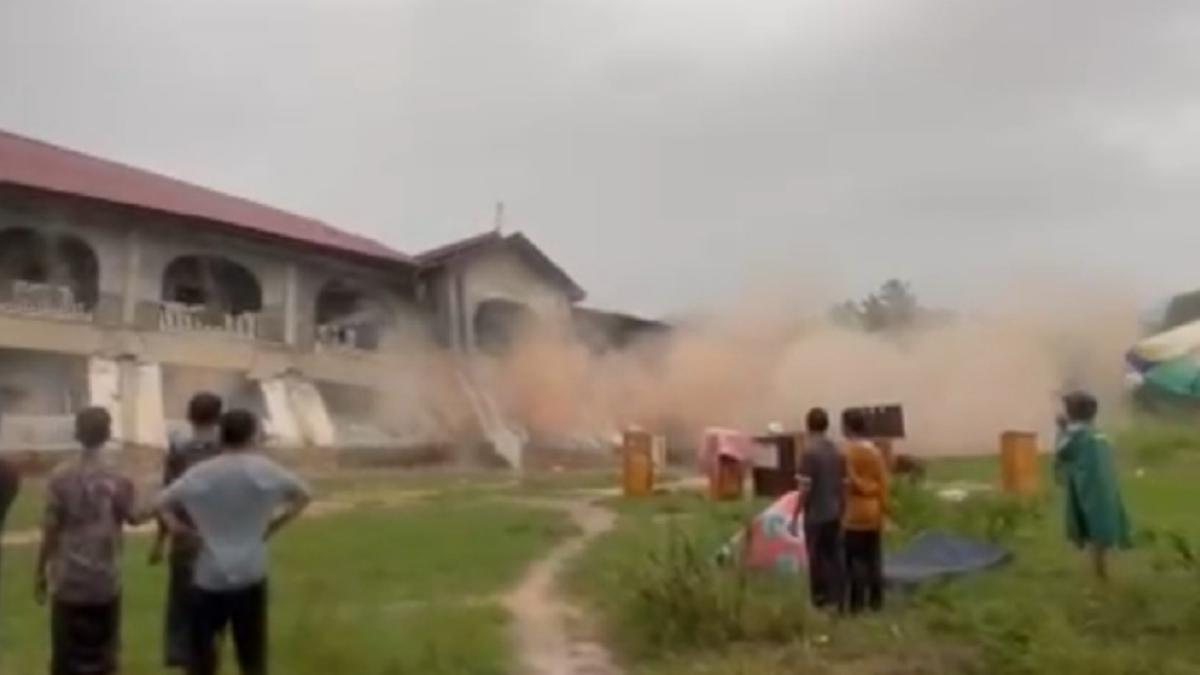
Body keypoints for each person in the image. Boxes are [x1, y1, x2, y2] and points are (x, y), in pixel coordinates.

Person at [150, 409, 311, 675]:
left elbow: (160, 503)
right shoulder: (265, 469)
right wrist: (273, 526)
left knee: (202, 655)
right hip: (251, 570)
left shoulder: (203, 473)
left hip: (209, 572)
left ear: (221, 435)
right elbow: (304, 496)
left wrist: (179, 528)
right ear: (252, 434)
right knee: (252, 653)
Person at [35, 407, 138, 675]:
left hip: (68, 577)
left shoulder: (60, 475)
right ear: (108, 433)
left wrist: (40, 570)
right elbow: (133, 516)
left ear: (77, 433)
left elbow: (51, 528)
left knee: (66, 657)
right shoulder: (119, 476)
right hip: (105, 576)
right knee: (104, 656)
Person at [151, 392, 224, 669]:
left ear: (189, 416)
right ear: (218, 418)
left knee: (183, 607)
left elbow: (167, 496)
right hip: (220, 541)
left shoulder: (179, 451)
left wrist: (160, 541)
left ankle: (188, 660)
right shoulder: (227, 452)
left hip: (185, 539)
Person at [1054, 391, 1131, 581]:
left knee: (1093, 527)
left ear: (1071, 413)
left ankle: (1100, 572)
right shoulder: (1098, 434)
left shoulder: (1075, 435)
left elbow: (1062, 453)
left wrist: (1062, 430)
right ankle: (1101, 569)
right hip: (1105, 485)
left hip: (1087, 487)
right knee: (1102, 524)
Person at [790, 407, 845, 610]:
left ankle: (820, 600)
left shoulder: (809, 453)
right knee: (834, 557)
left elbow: (805, 488)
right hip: (835, 512)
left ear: (808, 426)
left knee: (816, 558)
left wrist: (795, 516)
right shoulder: (835, 450)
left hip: (816, 514)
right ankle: (838, 597)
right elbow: (842, 484)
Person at [841, 408, 889, 614]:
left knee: (855, 560)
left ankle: (857, 603)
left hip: (854, 511)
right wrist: (884, 511)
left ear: (847, 428)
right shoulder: (876, 453)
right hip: (874, 510)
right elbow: (884, 484)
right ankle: (876, 601)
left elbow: (845, 483)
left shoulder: (847, 453)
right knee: (874, 558)